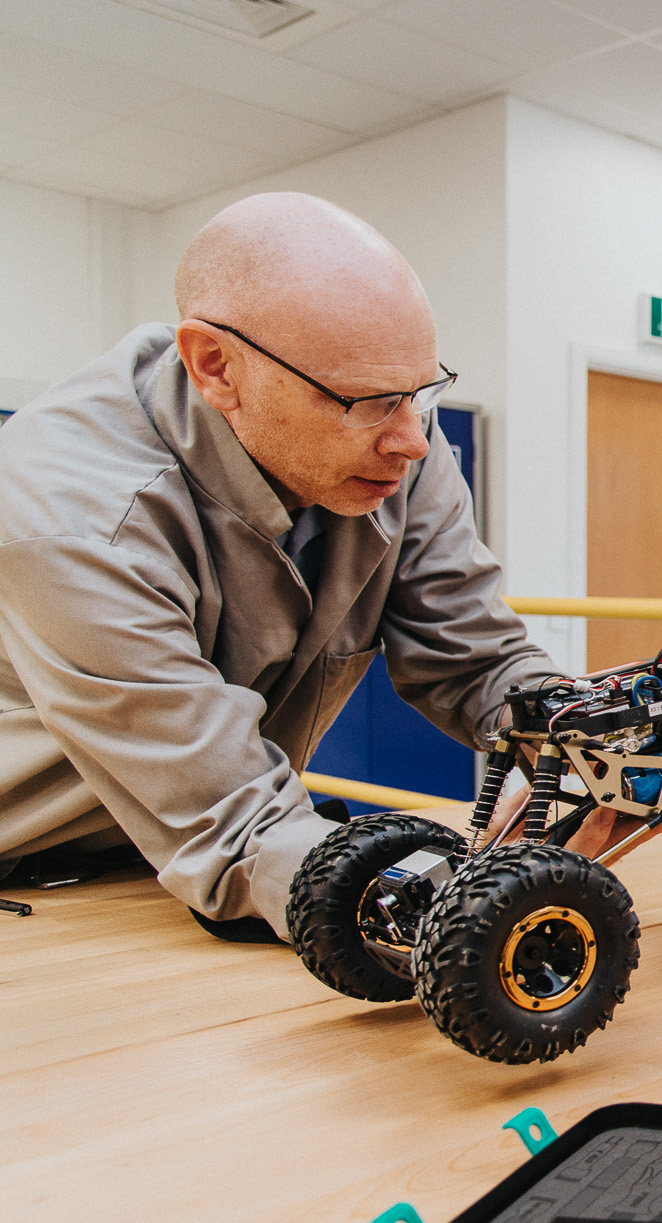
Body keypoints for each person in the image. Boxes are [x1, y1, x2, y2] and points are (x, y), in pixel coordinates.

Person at [0, 192, 557, 942]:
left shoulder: (395, 449)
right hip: (41, 886)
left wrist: (592, 737)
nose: (413, 439)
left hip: (199, 860)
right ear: (216, 366)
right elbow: (231, 819)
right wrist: (443, 902)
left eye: (421, 392)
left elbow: (475, 660)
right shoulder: (73, 513)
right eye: (368, 400)